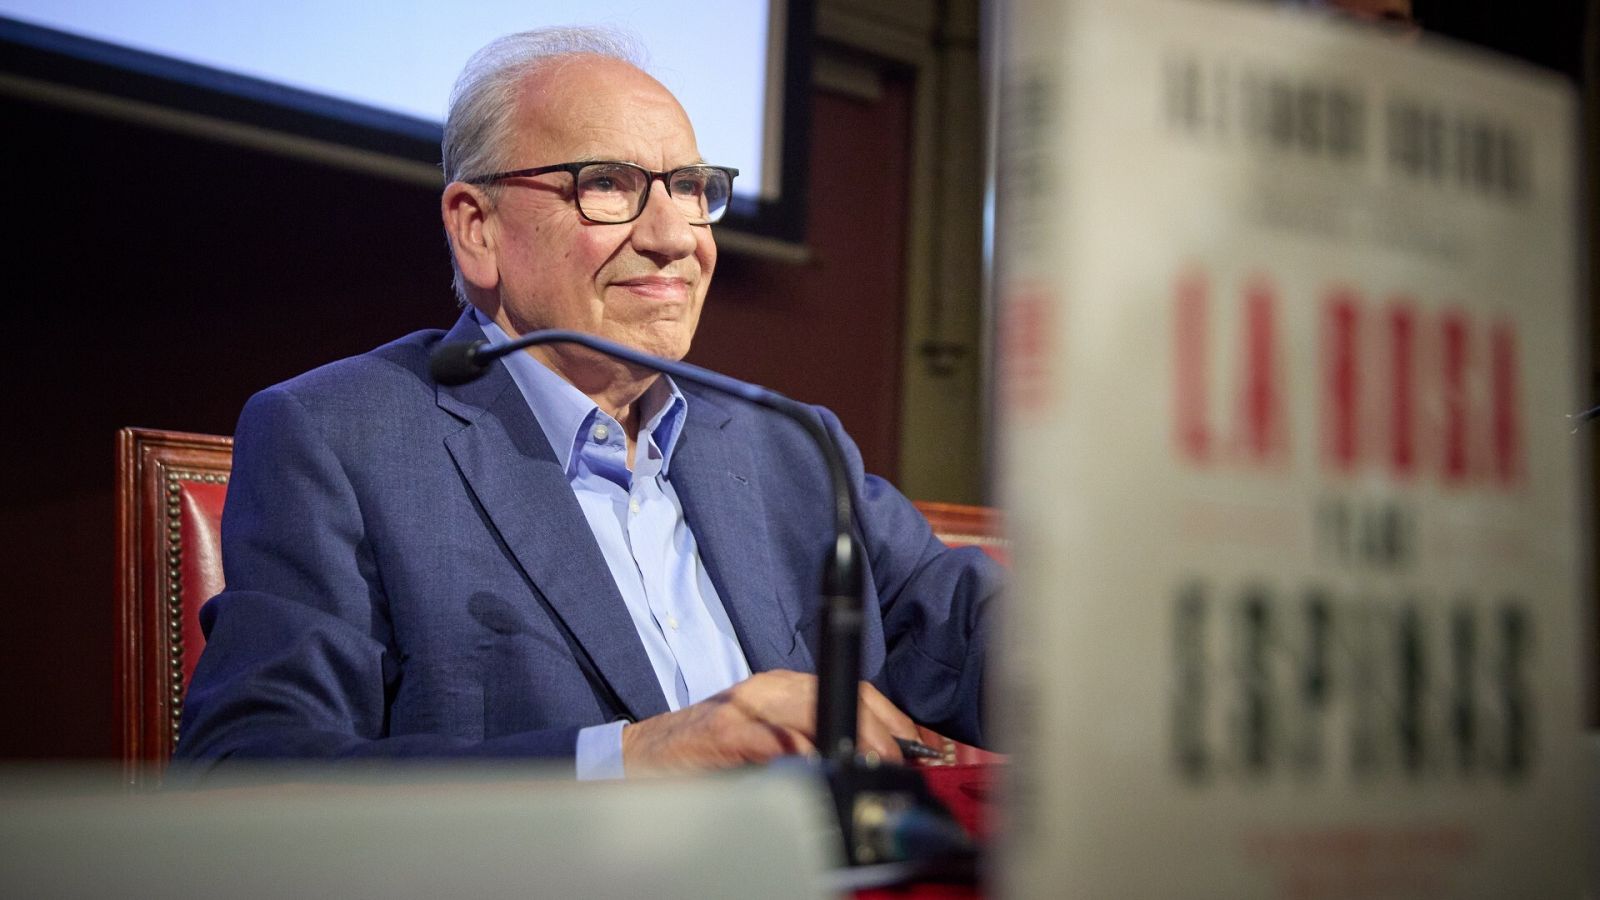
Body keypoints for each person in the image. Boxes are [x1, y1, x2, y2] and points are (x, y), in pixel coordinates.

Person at [175, 27, 999, 778]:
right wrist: (633, 758)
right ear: (477, 229)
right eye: (608, 185)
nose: (675, 236)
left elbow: (976, 633)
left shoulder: (789, 447)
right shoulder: (339, 438)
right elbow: (247, 774)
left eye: (689, 187)